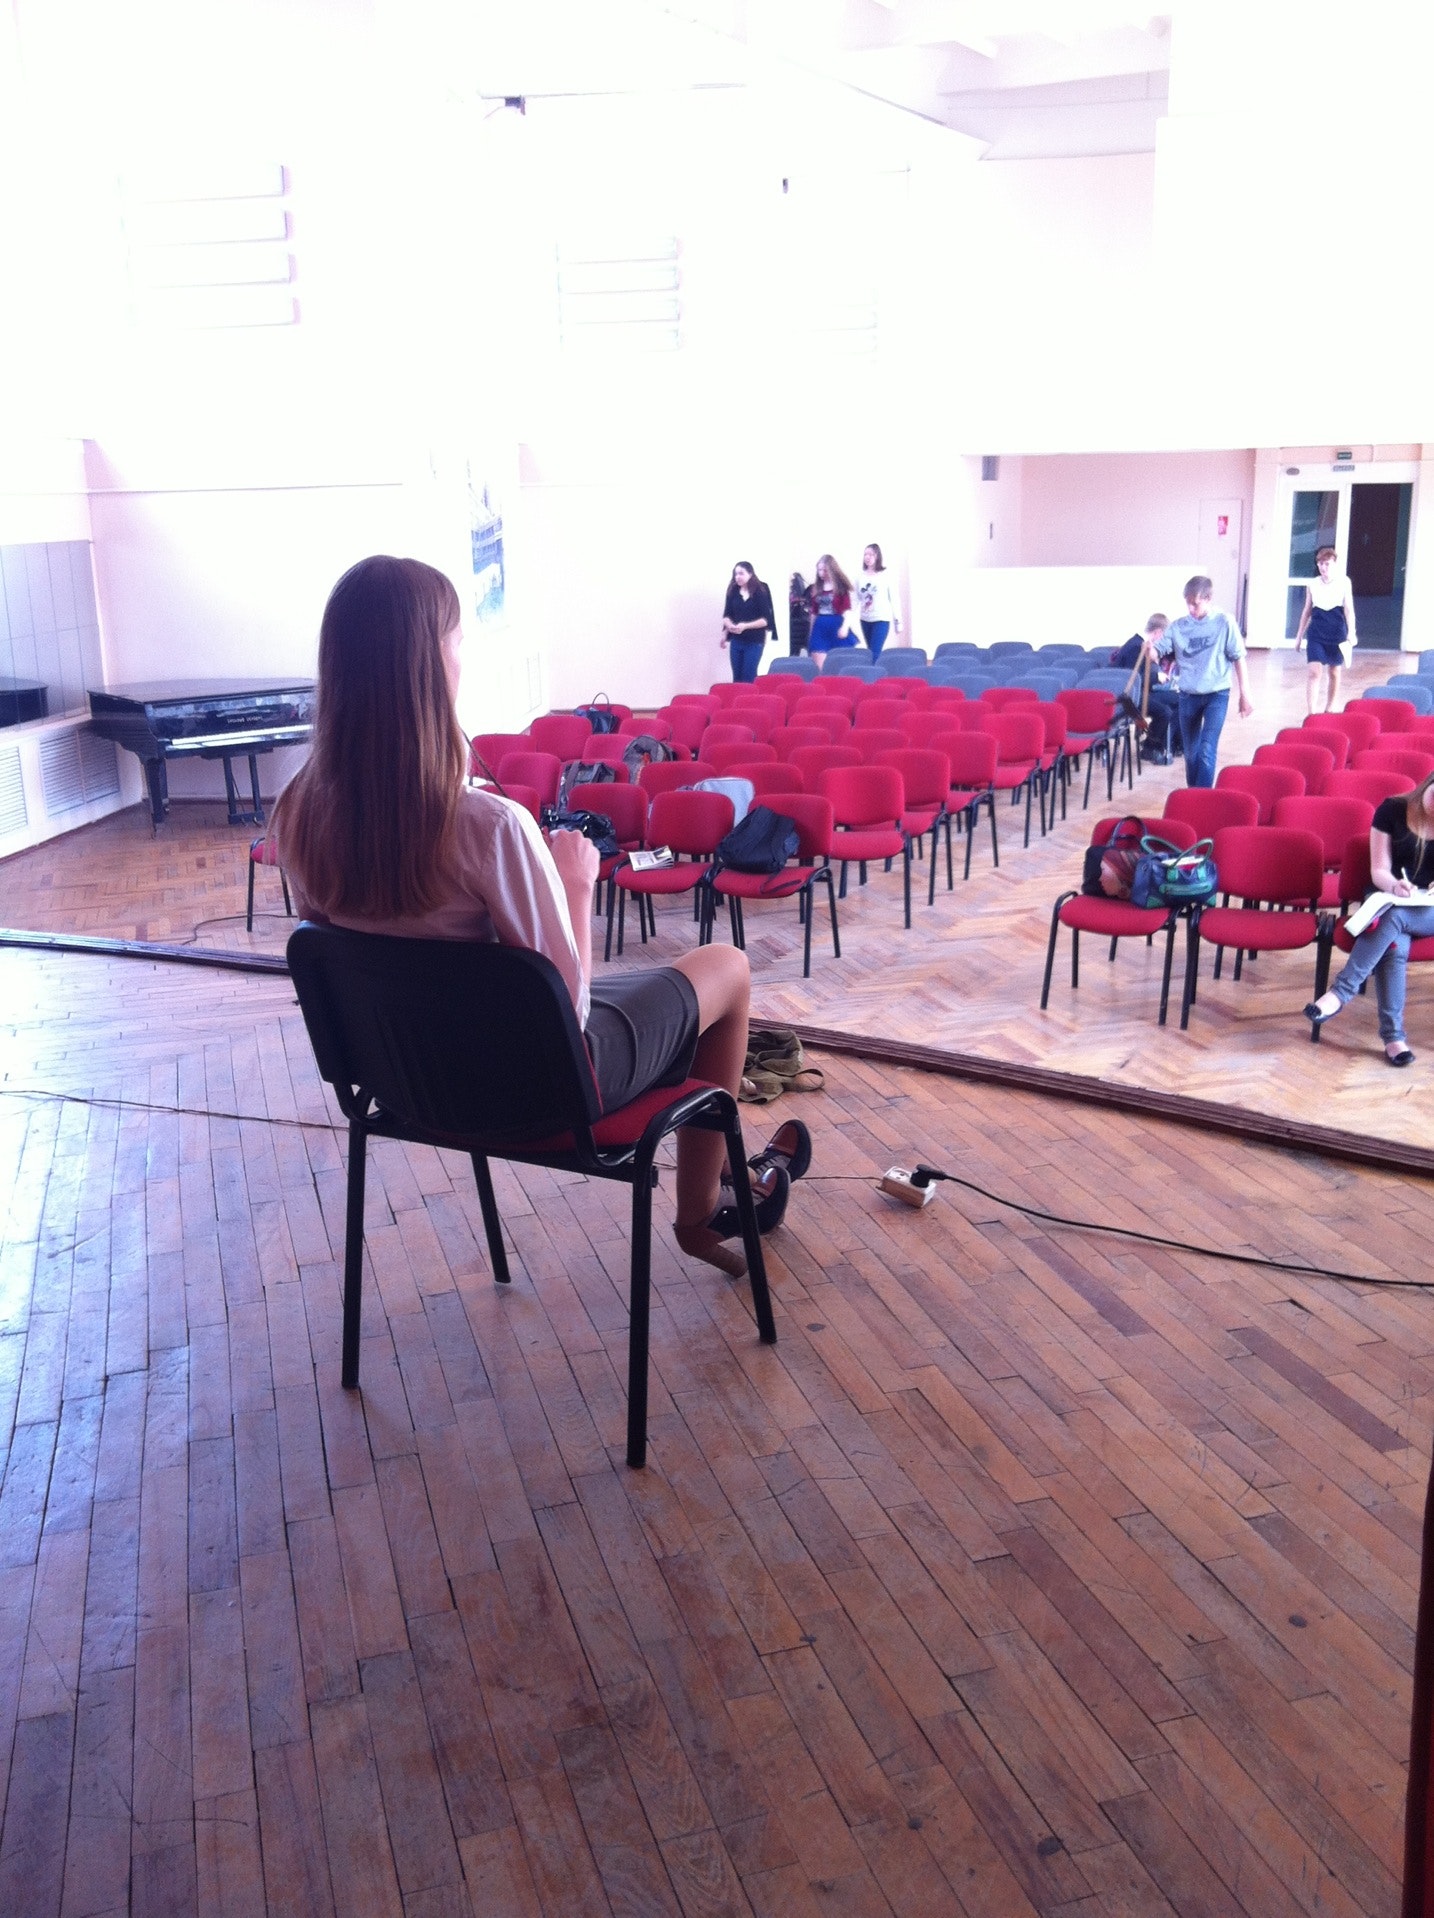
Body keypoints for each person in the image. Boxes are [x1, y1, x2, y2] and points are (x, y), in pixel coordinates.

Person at [272, 555, 808, 1276]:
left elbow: (338, 948)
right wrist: (574, 880)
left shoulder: (298, 811)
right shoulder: (487, 827)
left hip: (405, 1083)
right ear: (429, 665)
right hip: (538, 1091)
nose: (462, 657)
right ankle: (700, 1213)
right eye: (457, 640)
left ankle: (717, 1186)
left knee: (654, 993)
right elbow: (570, 1007)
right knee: (728, 968)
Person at [1304, 769, 1434, 1066]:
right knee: (1394, 947)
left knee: (1395, 917)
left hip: (1428, 909)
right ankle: (1394, 1038)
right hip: (1390, 897)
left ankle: (1340, 993)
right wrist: (1394, 886)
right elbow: (1379, 870)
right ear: (1429, 783)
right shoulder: (1392, 810)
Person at [1146, 576, 1253, 788]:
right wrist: (1151, 651)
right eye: (1188, 604)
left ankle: (1202, 798)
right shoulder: (1178, 627)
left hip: (1217, 694)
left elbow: (1238, 658)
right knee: (1191, 753)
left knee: (1206, 749)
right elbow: (1158, 651)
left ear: (1208, 599)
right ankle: (1194, 795)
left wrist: (1245, 693)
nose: (1191, 609)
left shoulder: (1224, 622)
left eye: (1195, 604)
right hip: (1188, 695)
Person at [1294, 545, 1358, 715]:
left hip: (1336, 632)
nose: (1323, 567)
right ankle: (1311, 712)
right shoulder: (1313, 584)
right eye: (1320, 564)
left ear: (1334, 564)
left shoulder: (1344, 582)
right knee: (1314, 672)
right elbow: (1307, 611)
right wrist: (1299, 636)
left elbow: (1348, 609)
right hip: (1316, 632)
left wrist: (1351, 631)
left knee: (1334, 671)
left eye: (1327, 564)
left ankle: (1330, 707)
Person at [1112, 614, 1182, 764]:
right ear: (1158, 633)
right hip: (1130, 699)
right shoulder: (1136, 647)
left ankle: (1171, 744)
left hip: (1140, 693)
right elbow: (1132, 681)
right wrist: (1157, 677)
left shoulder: (1139, 644)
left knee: (1180, 699)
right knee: (1164, 712)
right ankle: (1150, 748)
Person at [720, 561, 776, 684]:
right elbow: (727, 615)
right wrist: (728, 627)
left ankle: (751, 696)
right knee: (737, 677)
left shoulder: (760, 591)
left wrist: (745, 626)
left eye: (741, 573)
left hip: (754, 641)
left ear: (750, 574)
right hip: (737, 640)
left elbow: (765, 620)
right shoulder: (733, 591)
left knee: (749, 676)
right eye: (735, 574)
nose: (737, 577)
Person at [806, 554, 858, 666]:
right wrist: (811, 633)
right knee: (820, 666)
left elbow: (847, 610)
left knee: (840, 664)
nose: (821, 573)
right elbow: (814, 613)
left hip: (836, 625)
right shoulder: (816, 588)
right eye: (819, 570)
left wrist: (845, 627)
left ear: (831, 570)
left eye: (824, 570)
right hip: (820, 627)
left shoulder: (841, 587)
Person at [856, 544, 902, 659]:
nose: (868, 557)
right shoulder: (859, 577)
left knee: (875, 652)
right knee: (869, 651)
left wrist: (898, 621)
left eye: (871, 554)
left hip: (881, 619)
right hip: (865, 619)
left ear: (877, 556)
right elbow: (855, 598)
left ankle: (874, 670)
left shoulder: (886, 576)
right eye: (865, 554)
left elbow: (894, 599)